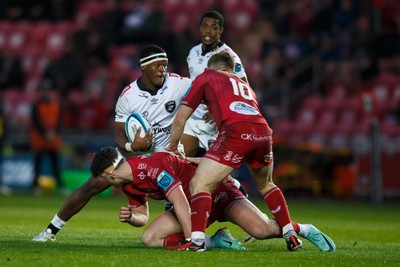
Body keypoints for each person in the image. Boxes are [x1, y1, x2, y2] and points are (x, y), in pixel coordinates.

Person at [166, 51, 336, 252]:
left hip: (237, 132)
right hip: (263, 132)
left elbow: (180, 119)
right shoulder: (244, 85)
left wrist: (172, 147)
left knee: (199, 184)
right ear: (230, 69)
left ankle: (197, 242)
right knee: (266, 184)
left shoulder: (207, 76)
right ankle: (291, 231)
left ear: (211, 68)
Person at [32, 44, 192, 241]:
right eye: (157, 65)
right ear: (143, 67)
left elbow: (206, 88)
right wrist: (132, 147)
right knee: (94, 183)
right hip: (139, 156)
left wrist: (211, 110)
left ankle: (202, 229)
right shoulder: (128, 96)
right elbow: (118, 135)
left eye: (164, 65)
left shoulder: (179, 84)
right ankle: (51, 230)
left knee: (198, 185)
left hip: (169, 156)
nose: (162, 69)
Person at [91, 146, 335, 252]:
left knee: (262, 230)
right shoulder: (128, 184)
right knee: (149, 238)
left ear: (108, 173)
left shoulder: (152, 166)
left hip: (217, 192)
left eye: (102, 178)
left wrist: (191, 241)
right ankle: (216, 241)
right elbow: (143, 217)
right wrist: (132, 217)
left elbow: (180, 202)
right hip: (194, 205)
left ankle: (304, 229)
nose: (102, 183)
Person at [179, 9, 248, 202]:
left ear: (221, 31)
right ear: (199, 28)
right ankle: (173, 205)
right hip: (194, 119)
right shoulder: (192, 52)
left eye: (214, 27)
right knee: (177, 161)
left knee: (214, 175)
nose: (208, 30)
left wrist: (220, 108)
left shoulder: (228, 56)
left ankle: (237, 190)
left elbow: (243, 87)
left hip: (216, 124)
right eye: (204, 25)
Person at [29, 80, 66, 195]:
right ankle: (35, 186)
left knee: (55, 164)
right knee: (38, 164)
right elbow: (36, 122)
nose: (45, 93)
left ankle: (60, 186)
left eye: (47, 91)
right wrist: (46, 133)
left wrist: (53, 132)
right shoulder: (36, 106)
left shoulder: (56, 105)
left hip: (52, 140)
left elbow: (59, 122)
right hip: (40, 140)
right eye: (43, 91)